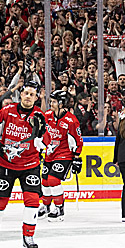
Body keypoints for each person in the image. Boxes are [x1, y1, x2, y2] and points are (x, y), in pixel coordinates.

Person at [0, 79, 46, 248]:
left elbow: (45, 141)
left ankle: (29, 236)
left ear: (36, 97)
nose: (28, 97)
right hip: (5, 163)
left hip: (30, 164)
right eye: (26, 93)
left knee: (32, 200)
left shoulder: (40, 116)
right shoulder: (7, 111)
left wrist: (41, 137)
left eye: (32, 94)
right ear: (21, 94)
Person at [39, 90, 84, 221]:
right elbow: (41, 133)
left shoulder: (71, 120)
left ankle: (59, 208)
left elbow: (78, 140)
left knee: (53, 180)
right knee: (45, 180)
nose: (51, 104)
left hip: (64, 154)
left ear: (61, 103)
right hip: (49, 153)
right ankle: (46, 206)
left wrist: (76, 158)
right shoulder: (47, 115)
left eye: (53, 102)